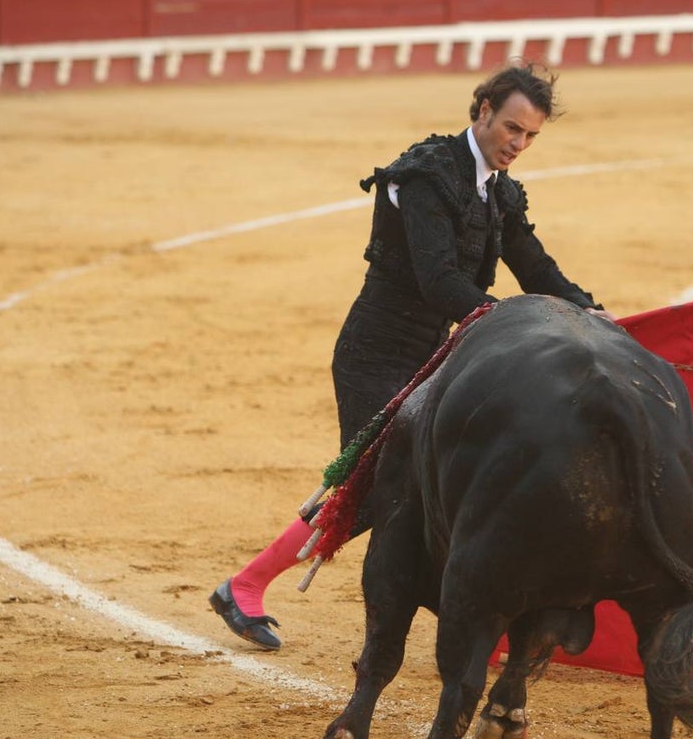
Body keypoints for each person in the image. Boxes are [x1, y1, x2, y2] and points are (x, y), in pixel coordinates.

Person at [210, 61, 615, 650]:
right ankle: (244, 585)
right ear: (482, 111)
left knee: (440, 479)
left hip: (435, 354)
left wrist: (590, 310)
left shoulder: (498, 190)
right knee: (375, 490)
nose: (518, 144)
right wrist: (503, 322)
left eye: (530, 136)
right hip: (375, 351)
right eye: (511, 128)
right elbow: (437, 279)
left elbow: (534, 266)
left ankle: (469, 612)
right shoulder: (426, 174)